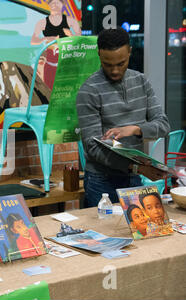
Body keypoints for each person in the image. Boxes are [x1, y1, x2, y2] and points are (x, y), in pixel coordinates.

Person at [76, 27, 171, 207]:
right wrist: (138, 168)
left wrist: (136, 129)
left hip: (134, 177)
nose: (114, 71)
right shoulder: (89, 91)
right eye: (108, 64)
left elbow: (164, 125)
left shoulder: (142, 82)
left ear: (130, 52)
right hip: (101, 181)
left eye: (121, 63)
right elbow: (92, 148)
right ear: (99, 56)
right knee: (102, 233)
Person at [30, 0, 81, 89]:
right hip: (50, 61)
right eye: (52, 3)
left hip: (66, 61)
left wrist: (71, 35)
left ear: (62, 5)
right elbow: (33, 41)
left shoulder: (70, 21)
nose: (55, 5)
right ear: (49, 5)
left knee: (67, 87)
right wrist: (45, 39)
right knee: (49, 88)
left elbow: (80, 41)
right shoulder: (42, 22)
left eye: (57, 3)